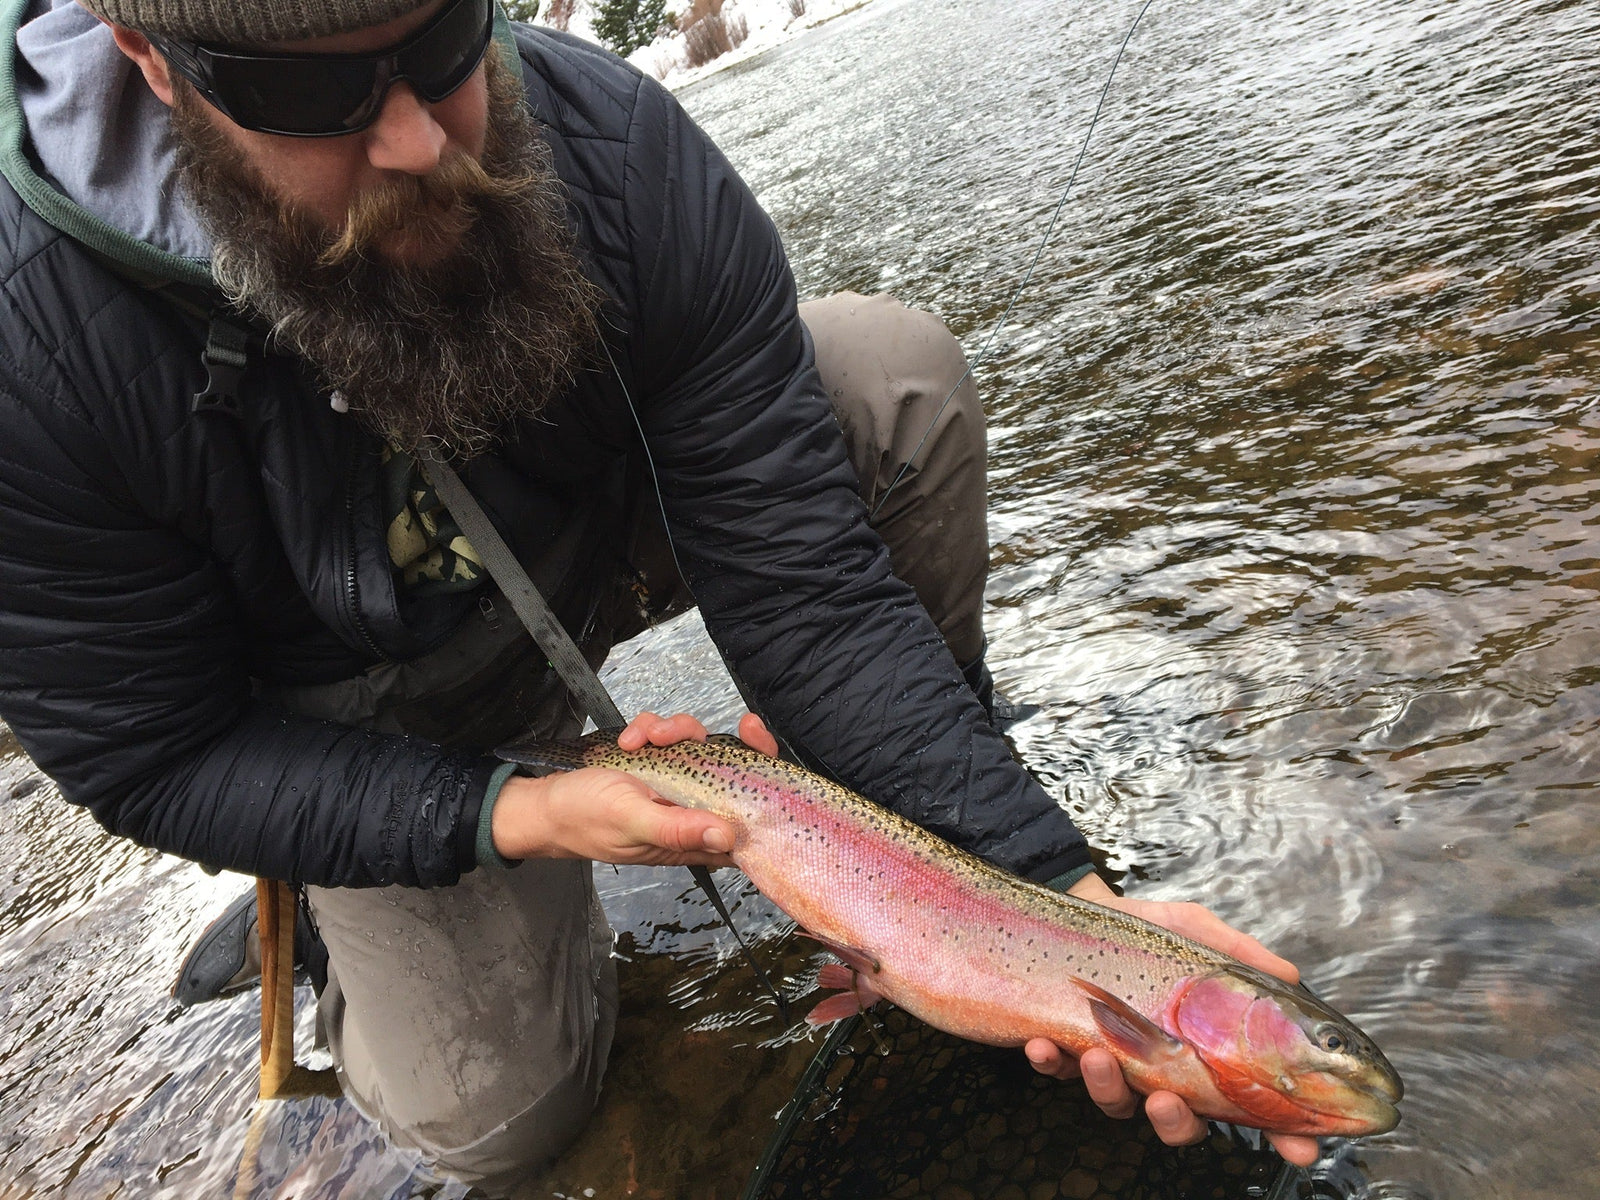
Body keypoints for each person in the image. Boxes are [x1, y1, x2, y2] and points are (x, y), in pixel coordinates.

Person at [0, 0, 1318, 1191]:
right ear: (149, 63)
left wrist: (1054, 894)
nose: (411, 138)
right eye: (310, 96)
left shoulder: (609, 142)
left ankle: (880, 866)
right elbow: (154, 754)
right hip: (368, 707)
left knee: (887, 380)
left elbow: (810, 591)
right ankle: (347, 881)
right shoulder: (34, 350)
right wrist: (506, 814)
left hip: (587, 551)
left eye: (440, 42)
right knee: (495, 1125)